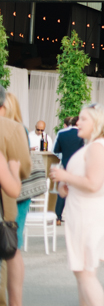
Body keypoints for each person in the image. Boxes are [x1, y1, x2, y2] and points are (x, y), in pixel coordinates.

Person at [49, 105, 104, 306]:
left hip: (90, 215)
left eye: (83, 119)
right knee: (85, 272)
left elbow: (93, 183)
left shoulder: (97, 148)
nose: (77, 123)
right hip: (88, 212)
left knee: (86, 275)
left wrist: (65, 176)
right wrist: (66, 183)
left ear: (96, 123)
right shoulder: (98, 146)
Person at [0, 86, 29, 306]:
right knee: (10, 252)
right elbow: (14, 186)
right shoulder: (11, 129)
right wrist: (14, 169)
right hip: (5, 209)